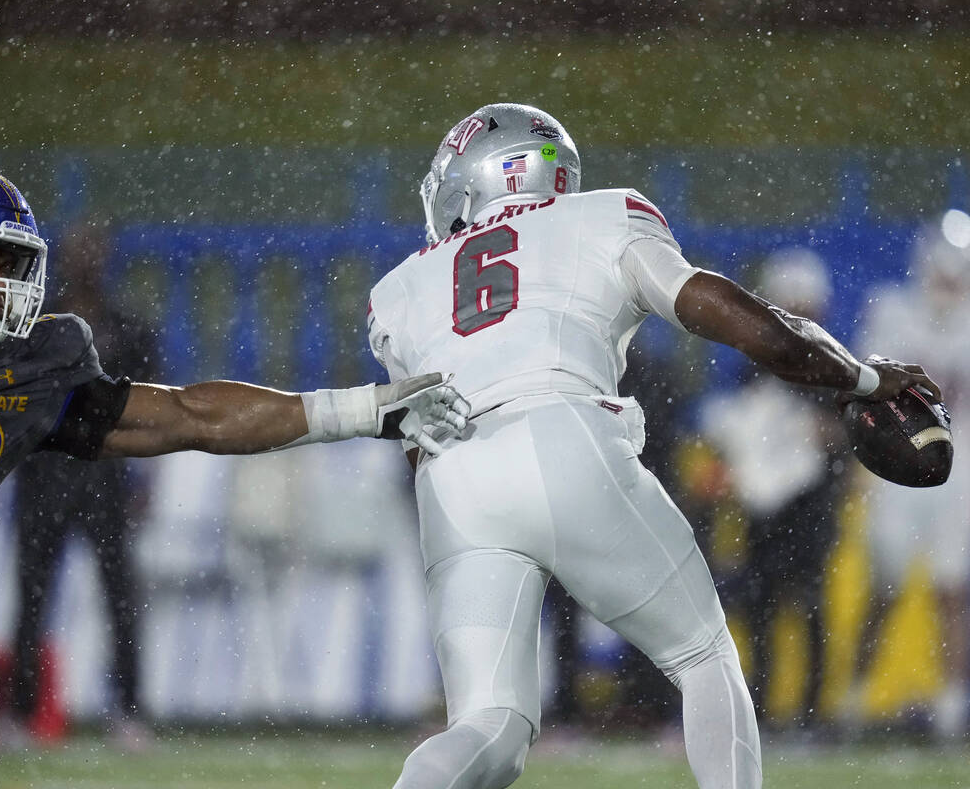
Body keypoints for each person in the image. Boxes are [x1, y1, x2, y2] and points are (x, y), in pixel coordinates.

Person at [0, 163, 469, 789]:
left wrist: (362, 409)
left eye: (16, 265)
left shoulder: (25, 379)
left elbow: (188, 415)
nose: (4, 284)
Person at [366, 103, 940, 789]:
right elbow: (726, 312)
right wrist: (863, 377)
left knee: (487, 727)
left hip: (453, 483)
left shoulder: (397, 291)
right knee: (703, 658)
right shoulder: (603, 215)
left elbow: (414, 434)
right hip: (561, 431)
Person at [8, 224, 160, 747]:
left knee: (119, 596)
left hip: (105, 476)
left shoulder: (128, 328)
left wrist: (148, 478)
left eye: (94, 251)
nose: (86, 261)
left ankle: (128, 710)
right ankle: (22, 712)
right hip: (45, 475)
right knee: (31, 597)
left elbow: (155, 407)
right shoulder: (34, 327)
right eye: (78, 252)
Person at [700, 247, 847, 730]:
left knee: (806, 608)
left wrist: (832, 437)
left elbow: (848, 434)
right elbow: (739, 424)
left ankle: (812, 714)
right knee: (761, 608)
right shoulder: (757, 362)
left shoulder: (834, 364)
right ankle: (762, 708)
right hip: (767, 506)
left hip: (811, 503)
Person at [851, 209, 970, 737]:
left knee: (952, 589)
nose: (947, 283)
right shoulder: (893, 311)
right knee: (885, 588)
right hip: (898, 467)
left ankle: (950, 708)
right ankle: (853, 699)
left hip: (961, 470)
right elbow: (863, 387)